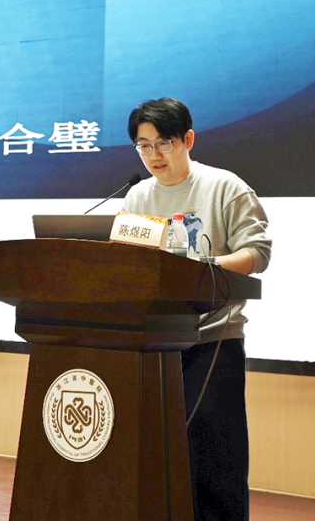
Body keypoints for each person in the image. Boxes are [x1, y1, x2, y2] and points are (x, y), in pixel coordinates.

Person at [121, 97, 271, 521]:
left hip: (212, 341)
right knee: (156, 459)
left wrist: (202, 268)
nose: (153, 155)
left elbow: (257, 253)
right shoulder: (136, 196)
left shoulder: (224, 187)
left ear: (188, 139)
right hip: (152, 344)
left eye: (163, 143)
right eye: (143, 146)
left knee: (215, 462)